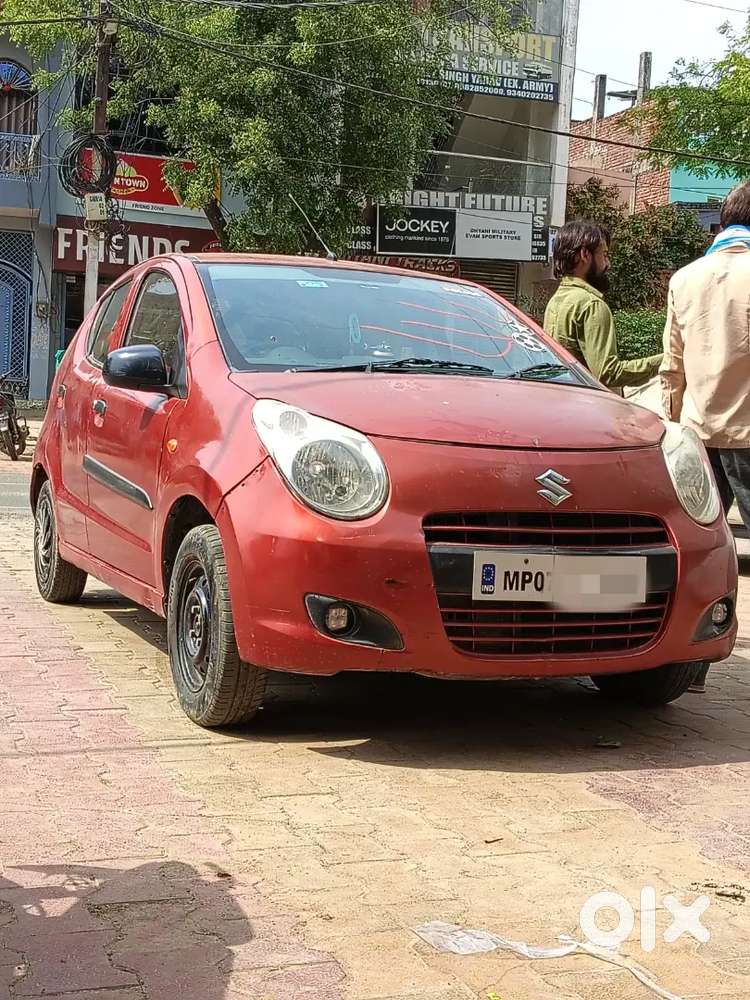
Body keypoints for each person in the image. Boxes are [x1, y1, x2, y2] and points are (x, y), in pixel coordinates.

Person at [661, 181, 750, 693]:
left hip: (696, 434)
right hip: (748, 433)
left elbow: (671, 369)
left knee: (698, 553)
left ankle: (691, 665)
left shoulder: (685, 277)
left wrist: (672, 434)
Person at [544, 220, 663, 393]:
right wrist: (667, 359)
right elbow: (607, 373)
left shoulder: (556, 300)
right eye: (604, 254)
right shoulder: (592, 305)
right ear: (584, 255)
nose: (608, 264)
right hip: (590, 409)